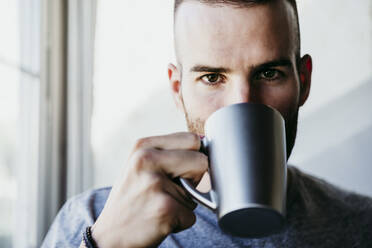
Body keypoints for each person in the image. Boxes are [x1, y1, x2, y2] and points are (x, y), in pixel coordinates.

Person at [42, 0, 372, 247]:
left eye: (269, 74)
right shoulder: (91, 222)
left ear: (303, 82)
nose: (242, 103)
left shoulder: (360, 224)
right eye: (212, 77)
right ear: (178, 90)